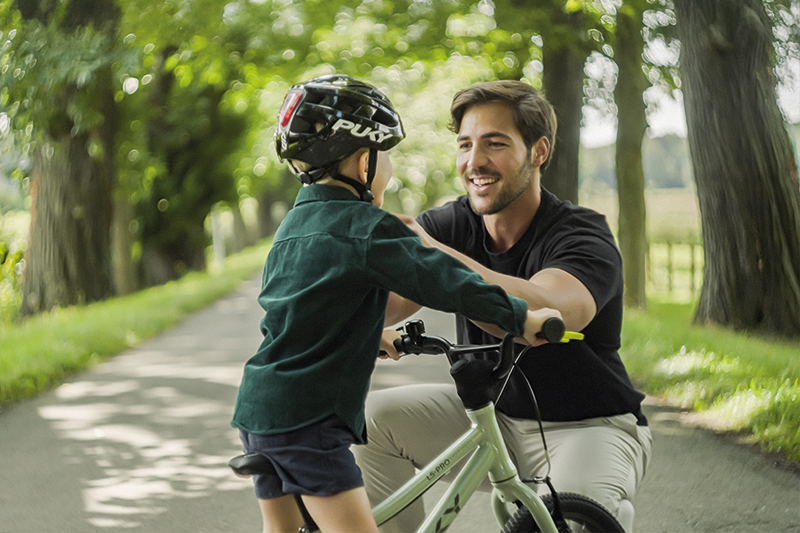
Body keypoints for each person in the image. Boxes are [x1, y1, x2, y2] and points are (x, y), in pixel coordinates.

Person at [230, 75, 562, 533]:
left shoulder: (294, 225)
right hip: (309, 423)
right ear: (364, 162)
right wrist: (522, 317)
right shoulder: (367, 226)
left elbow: (298, 309)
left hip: (260, 411)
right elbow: (447, 282)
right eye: (386, 157)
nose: (389, 169)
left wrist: (369, 332)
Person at [353, 80, 653, 533]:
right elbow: (385, 303)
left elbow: (549, 310)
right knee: (370, 423)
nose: (474, 161)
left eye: (495, 144)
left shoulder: (581, 234)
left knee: (567, 521)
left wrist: (433, 255)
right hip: (492, 418)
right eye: (466, 144)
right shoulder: (452, 224)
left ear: (539, 152)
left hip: (589, 426)